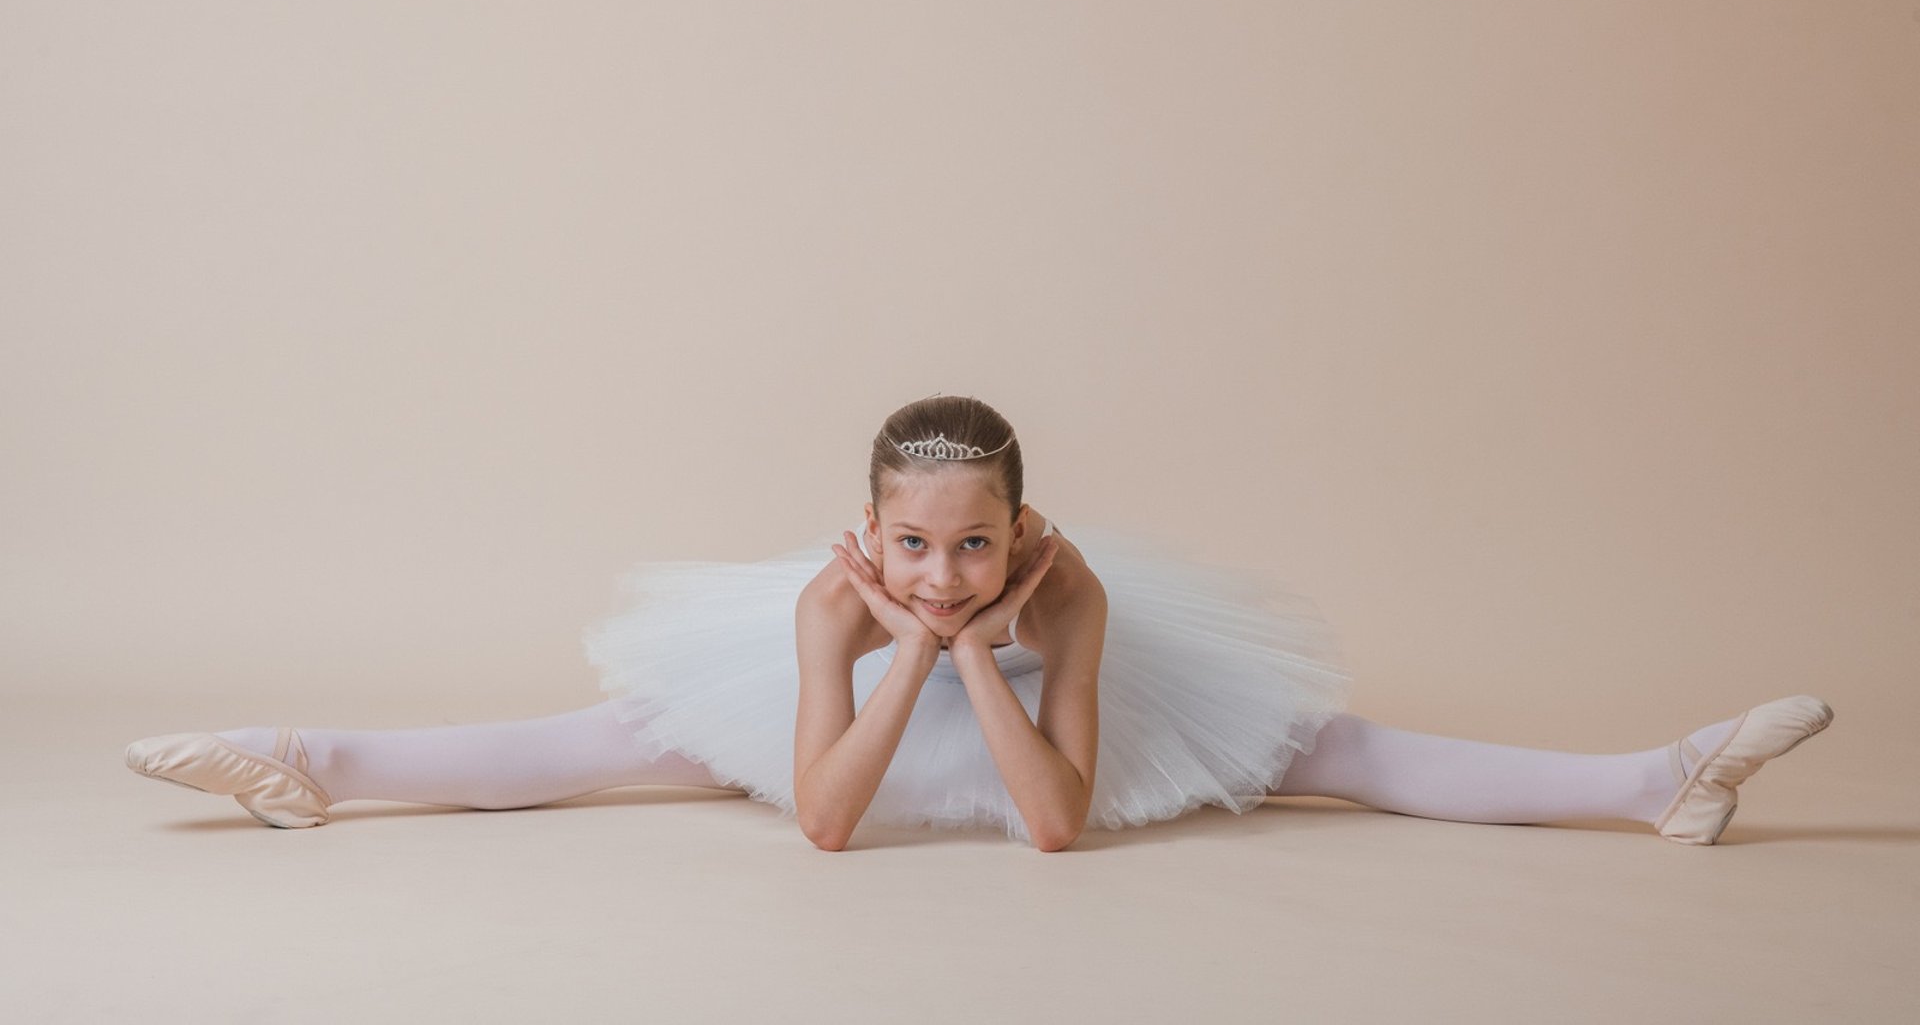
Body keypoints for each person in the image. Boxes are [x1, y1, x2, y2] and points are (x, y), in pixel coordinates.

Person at [125, 394, 1833, 851]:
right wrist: (909, 645)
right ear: (867, 532)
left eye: (975, 546)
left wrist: (983, 646)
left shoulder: (1068, 594)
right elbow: (823, 822)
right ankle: (299, 760)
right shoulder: (830, 601)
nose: (943, 572)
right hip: (862, 728)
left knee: (1337, 752)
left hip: (1028, 730)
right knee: (602, 749)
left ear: (1028, 533)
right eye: (914, 546)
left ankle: (1660, 775)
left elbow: (1051, 825)